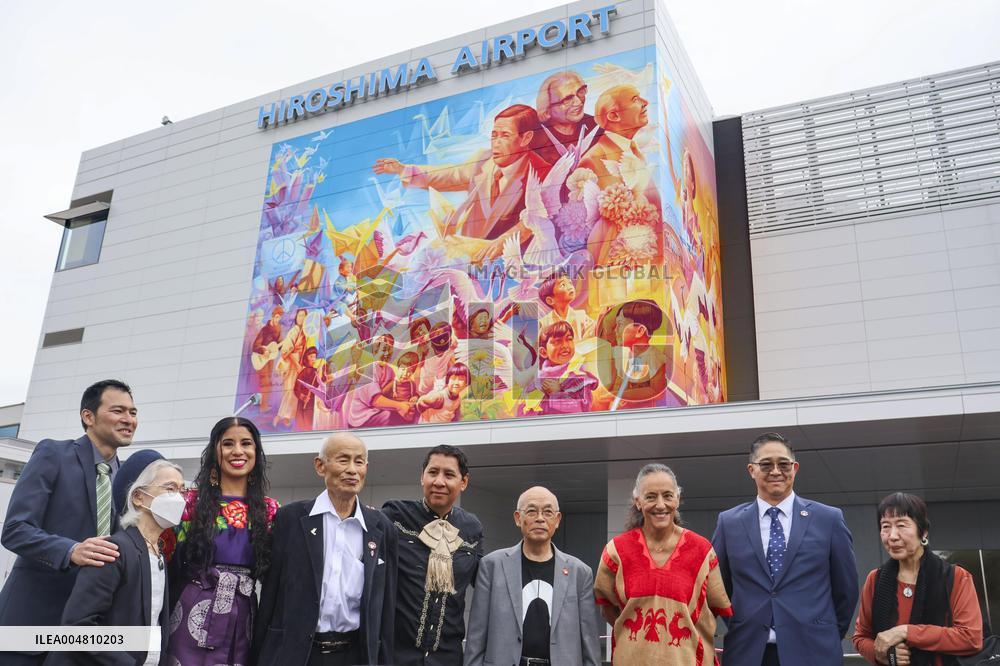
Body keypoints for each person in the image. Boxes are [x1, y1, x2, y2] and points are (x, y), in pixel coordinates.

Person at [0, 379, 138, 665]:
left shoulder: (128, 481)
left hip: (87, 634)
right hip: (31, 621)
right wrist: (70, 551)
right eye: (118, 411)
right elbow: (15, 530)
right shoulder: (54, 454)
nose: (128, 420)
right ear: (88, 416)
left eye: (133, 413)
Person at [711, 432, 859, 666]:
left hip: (814, 652)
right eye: (766, 464)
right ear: (751, 470)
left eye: (784, 464)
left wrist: (823, 631)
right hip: (748, 652)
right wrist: (746, 623)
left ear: (795, 468)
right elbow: (719, 589)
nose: (776, 471)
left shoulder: (828, 519)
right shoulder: (729, 523)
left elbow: (846, 591)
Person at [254, 433, 397, 666]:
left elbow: (387, 607)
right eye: (343, 460)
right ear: (320, 466)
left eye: (359, 462)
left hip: (354, 654)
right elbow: (270, 595)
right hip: (296, 653)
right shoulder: (290, 519)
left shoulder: (381, 528)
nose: (352, 469)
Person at [162, 417, 279, 665]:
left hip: (243, 618)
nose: (238, 451)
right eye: (228, 444)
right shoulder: (187, 504)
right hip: (189, 610)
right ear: (215, 451)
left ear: (256, 452)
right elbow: (162, 559)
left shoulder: (270, 510)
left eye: (246, 443)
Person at [49, 450, 183, 666]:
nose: (178, 498)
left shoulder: (157, 552)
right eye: (170, 488)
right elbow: (78, 627)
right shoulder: (114, 549)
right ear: (138, 497)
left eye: (181, 490)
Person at [373, 104, 551, 263]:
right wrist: (403, 170)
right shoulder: (484, 160)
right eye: (494, 135)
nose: (496, 143)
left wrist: (501, 243)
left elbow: (534, 220)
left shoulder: (542, 173)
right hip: (466, 260)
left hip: (508, 267)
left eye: (504, 136)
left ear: (526, 138)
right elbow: (450, 176)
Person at [595, 464, 731, 665]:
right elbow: (607, 607)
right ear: (638, 502)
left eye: (668, 495)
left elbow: (717, 608)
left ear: (677, 499)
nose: (660, 505)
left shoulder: (701, 550)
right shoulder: (616, 551)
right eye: (650, 496)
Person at [465, 486, 601, 666]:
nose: (540, 518)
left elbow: (589, 640)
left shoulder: (580, 572)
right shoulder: (492, 566)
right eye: (531, 511)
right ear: (517, 518)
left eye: (547, 512)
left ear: (557, 520)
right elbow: (476, 636)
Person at [854, 493, 984, 665]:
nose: (892, 536)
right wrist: (881, 654)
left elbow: (971, 638)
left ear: (923, 532)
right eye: (885, 526)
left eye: (901, 525)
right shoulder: (875, 579)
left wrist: (906, 632)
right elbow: (861, 637)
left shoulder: (956, 577)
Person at [382, 445, 484, 665]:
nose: (439, 482)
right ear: (422, 477)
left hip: (448, 657)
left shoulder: (472, 528)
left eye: (449, 475)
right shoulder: (394, 516)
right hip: (396, 655)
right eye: (433, 472)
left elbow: (486, 583)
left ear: (463, 482)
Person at [535, 70, 601, 165]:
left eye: (581, 92)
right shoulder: (536, 140)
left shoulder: (597, 126)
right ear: (547, 109)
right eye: (567, 99)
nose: (579, 102)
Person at [538, 272, 594, 342]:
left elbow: (594, 331)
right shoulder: (544, 323)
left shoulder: (581, 316)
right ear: (550, 300)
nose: (570, 287)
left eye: (570, 283)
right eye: (563, 285)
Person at [252, 306, 284, 414]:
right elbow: (255, 346)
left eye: (279, 318)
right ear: (272, 316)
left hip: (270, 360)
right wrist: (263, 350)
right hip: (261, 360)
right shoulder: (264, 330)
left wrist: (284, 345)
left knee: (268, 383)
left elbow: (278, 345)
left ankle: (264, 405)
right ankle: (263, 407)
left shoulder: (278, 329)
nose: (277, 320)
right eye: (276, 317)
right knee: (265, 382)